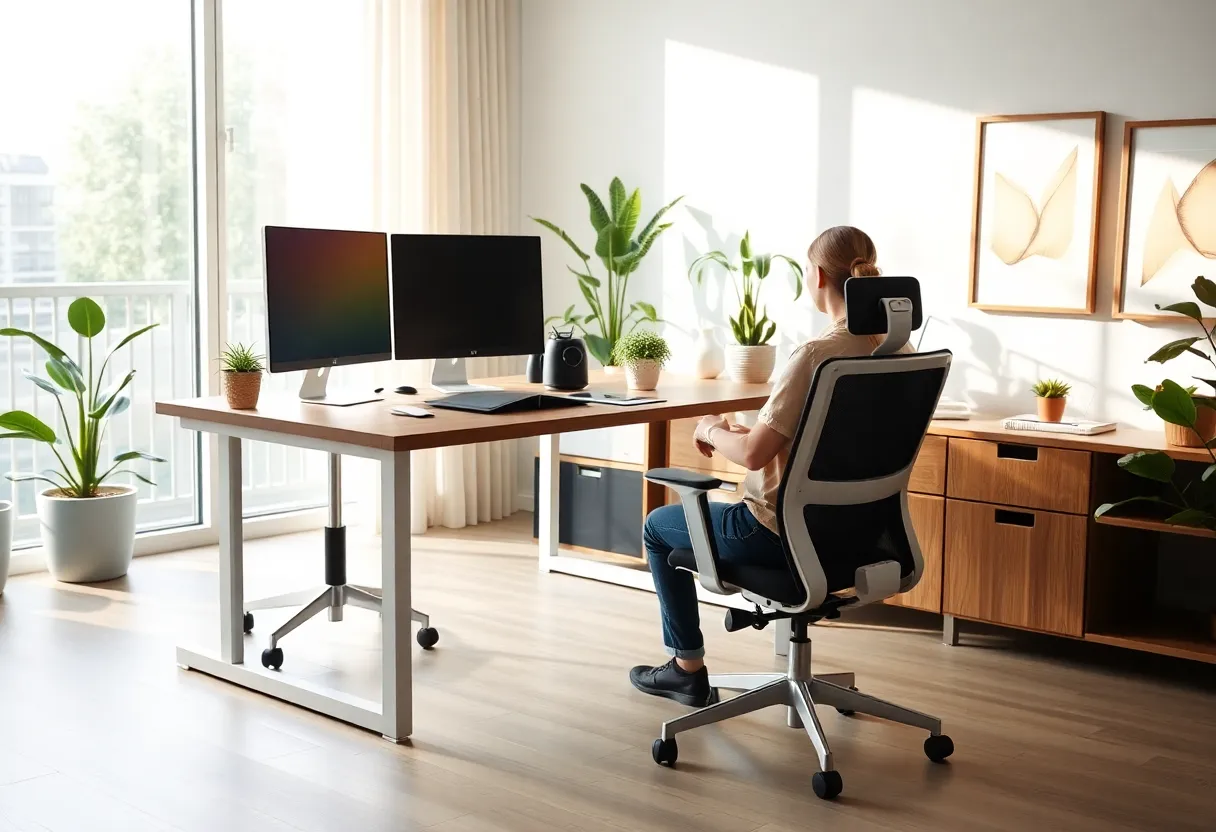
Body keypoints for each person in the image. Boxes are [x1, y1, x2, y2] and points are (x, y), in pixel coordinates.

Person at [629, 225, 899, 707]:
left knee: (657, 526)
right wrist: (739, 434)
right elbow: (810, 447)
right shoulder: (895, 351)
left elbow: (754, 455)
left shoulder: (816, 355)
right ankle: (685, 667)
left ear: (817, 276)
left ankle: (685, 668)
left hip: (774, 534)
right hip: (858, 537)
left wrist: (711, 429)